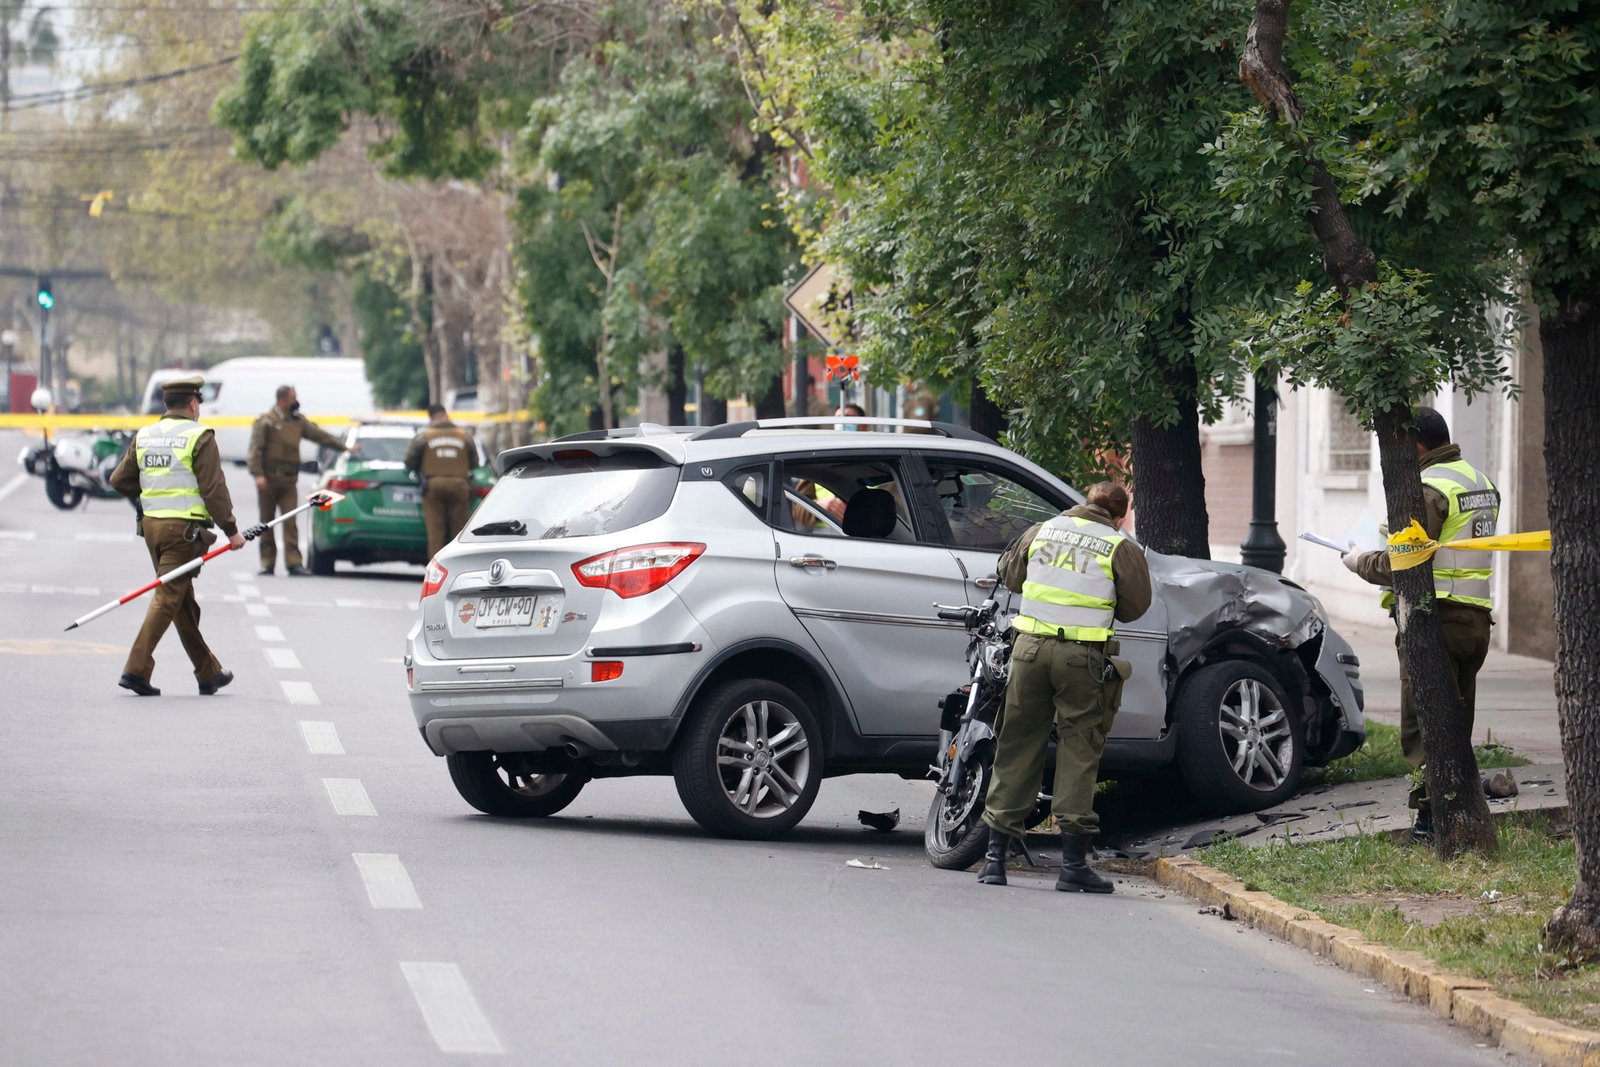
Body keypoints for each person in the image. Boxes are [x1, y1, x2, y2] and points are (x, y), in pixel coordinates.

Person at [978, 481, 1151, 894]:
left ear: (1084, 503)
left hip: (1029, 651)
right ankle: (1073, 865)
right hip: (1080, 658)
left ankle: (994, 860)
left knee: (1017, 743)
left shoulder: (1043, 529)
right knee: (1079, 748)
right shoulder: (1118, 546)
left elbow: (1011, 577)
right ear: (1121, 515)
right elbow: (1135, 607)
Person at [1342, 406, 1498, 841]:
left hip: (1439, 618)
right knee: (1458, 717)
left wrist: (1358, 561)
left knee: (1425, 720)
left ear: (1415, 445)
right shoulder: (1478, 481)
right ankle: (1460, 806)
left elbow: (1406, 564)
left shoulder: (1430, 488)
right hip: (1475, 619)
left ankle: (1431, 820)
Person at [109, 375, 245, 697]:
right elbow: (213, 488)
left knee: (181, 600)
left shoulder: (146, 436)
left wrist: (150, 492)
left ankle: (208, 671)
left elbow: (118, 480)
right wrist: (231, 531)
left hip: (152, 529)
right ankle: (135, 670)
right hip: (182, 533)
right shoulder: (199, 437)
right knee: (169, 596)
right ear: (194, 404)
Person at [248, 384, 353, 575]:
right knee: (266, 522)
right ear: (282, 400)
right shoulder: (266, 422)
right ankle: (267, 562)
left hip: (289, 481)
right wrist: (258, 474)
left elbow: (320, 435)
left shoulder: (297, 422)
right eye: (292, 397)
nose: (296, 401)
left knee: (290, 521)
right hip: (269, 479)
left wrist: (344, 447)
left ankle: (293, 562)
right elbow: (255, 449)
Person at [405, 405, 476, 558]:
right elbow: (474, 463)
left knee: (435, 533)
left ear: (431, 417)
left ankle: (437, 573)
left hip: (433, 486)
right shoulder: (465, 436)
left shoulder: (425, 436)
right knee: (459, 533)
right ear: (445, 414)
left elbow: (409, 460)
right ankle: (458, 568)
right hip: (460, 486)